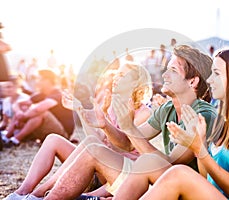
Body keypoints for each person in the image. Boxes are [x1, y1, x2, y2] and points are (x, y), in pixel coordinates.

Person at [40, 45, 217, 200]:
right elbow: (125, 143)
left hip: (180, 189)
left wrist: (129, 126)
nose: (164, 74)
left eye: (173, 70)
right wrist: (105, 125)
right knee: (93, 148)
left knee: (146, 162)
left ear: (193, 81)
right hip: (156, 180)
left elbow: (171, 167)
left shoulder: (203, 115)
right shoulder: (168, 108)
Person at [129, 48, 229, 200]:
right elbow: (207, 178)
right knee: (152, 163)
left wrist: (198, 148)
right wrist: (201, 143)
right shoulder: (222, 120)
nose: (210, 79)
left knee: (178, 173)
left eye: (217, 74)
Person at [3, 62, 153, 200]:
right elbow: (98, 138)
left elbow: (121, 146)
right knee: (53, 139)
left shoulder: (143, 113)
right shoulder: (113, 106)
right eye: (116, 74)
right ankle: (22, 192)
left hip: (114, 173)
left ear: (136, 83)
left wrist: (103, 124)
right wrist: (80, 110)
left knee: (91, 143)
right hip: (96, 164)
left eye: (122, 75)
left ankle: (38, 194)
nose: (115, 78)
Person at [3, 69, 74, 145]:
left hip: (62, 135)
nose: (37, 82)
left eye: (39, 79)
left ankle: (15, 140)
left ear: (47, 81)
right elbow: (17, 104)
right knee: (24, 108)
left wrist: (23, 116)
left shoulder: (58, 94)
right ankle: (6, 137)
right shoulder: (41, 94)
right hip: (47, 132)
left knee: (41, 113)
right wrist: (19, 112)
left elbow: (38, 109)